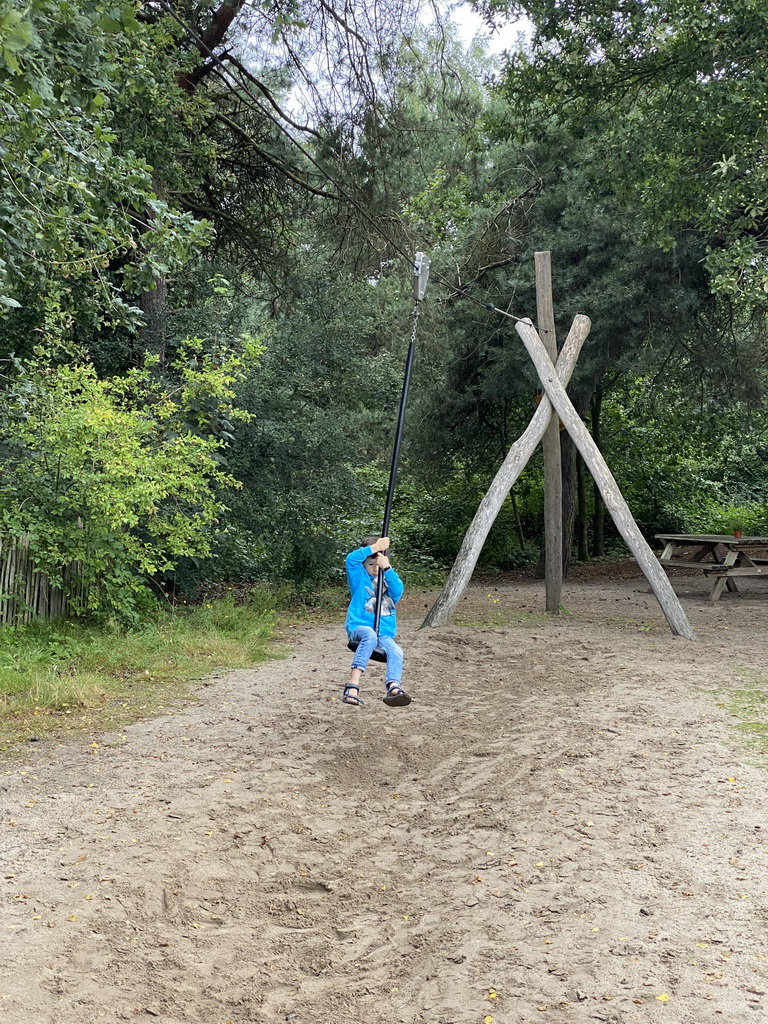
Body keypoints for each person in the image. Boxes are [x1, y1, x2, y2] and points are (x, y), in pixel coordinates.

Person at [341, 535, 411, 708]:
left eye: (376, 565)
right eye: (370, 564)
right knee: (370, 635)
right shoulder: (359, 578)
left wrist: (386, 567)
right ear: (364, 564)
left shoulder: (388, 580)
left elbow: (398, 590)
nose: (373, 569)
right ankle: (353, 687)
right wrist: (374, 548)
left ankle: (393, 687)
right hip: (360, 627)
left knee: (396, 651)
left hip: (384, 634)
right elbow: (351, 559)